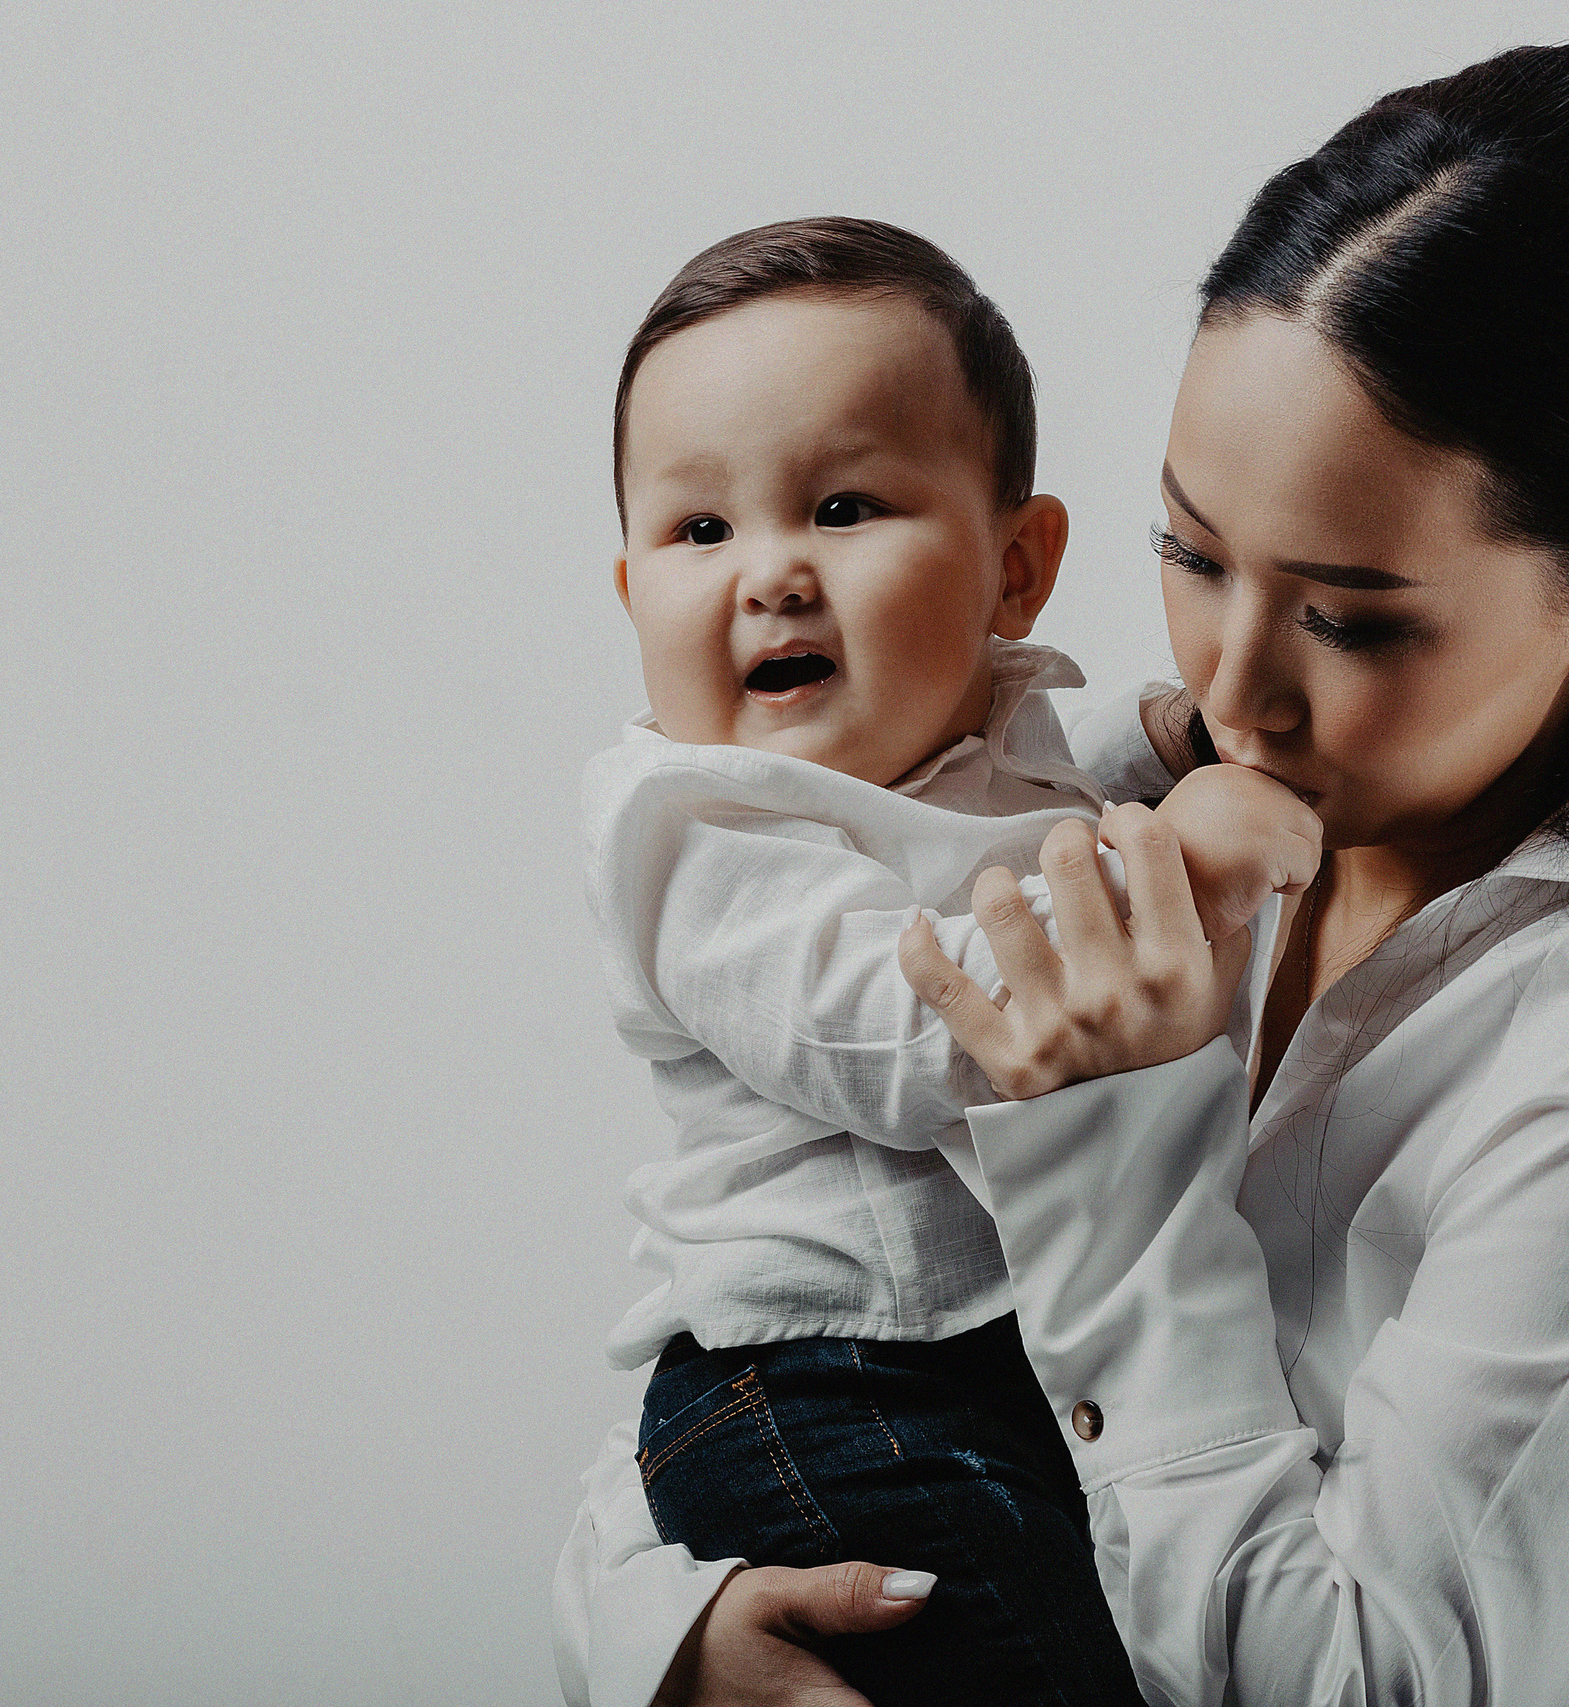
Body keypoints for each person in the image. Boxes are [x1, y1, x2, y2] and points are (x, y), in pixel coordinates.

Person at [561, 42, 1569, 1707]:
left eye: (1350, 618)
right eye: (1188, 553)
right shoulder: (1115, 807)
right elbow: (791, 1295)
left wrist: (1100, 1132)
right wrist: (663, 1631)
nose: (1235, 689)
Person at [573, 216, 1320, 1707]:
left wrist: (1176, 740)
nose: (769, 575)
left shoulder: (994, 722)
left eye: (843, 506)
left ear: (1015, 570)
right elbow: (897, 1030)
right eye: (700, 530)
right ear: (629, 590)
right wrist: (1174, 865)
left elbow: (1078, 744)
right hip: (820, 1388)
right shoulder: (697, 827)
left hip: (1001, 1364)